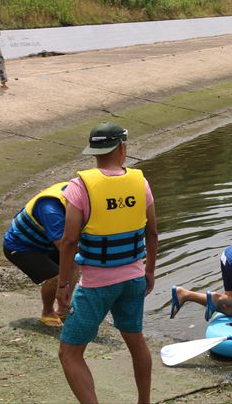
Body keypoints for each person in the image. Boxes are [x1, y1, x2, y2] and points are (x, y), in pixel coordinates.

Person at [56, 122, 159, 404]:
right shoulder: (141, 182)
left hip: (96, 285)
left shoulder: (80, 187)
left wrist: (63, 284)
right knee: (135, 339)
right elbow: (152, 232)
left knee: (70, 351)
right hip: (134, 279)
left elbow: (68, 241)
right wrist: (149, 271)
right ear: (122, 148)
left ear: (95, 151)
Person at [2, 181, 79, 327]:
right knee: (56, 276)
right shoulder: (51, 209)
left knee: (75, 263)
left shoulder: (78, 194)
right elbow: (64, 246)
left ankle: (63, 308)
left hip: (45, 243)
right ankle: (47, 312)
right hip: (21, 247)